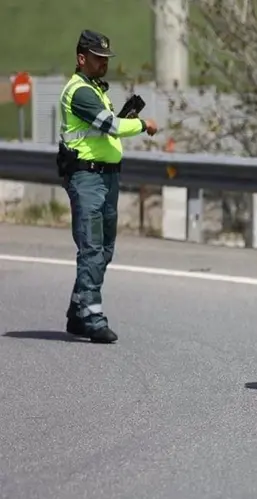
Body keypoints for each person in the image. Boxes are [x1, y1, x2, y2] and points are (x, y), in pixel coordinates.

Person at [59, 30, 158, 343]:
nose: (104, 63)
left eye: (106, 58)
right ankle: (92, 316)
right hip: (87, 177)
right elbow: (112, 126)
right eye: (98, 58)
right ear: (81, 58)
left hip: (107, 176)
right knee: (91, 247)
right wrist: (142, 124)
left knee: (104, 248)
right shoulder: (80, 92)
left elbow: (103, 129)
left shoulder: (96, 90)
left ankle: (78, 312)